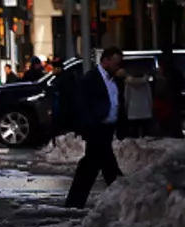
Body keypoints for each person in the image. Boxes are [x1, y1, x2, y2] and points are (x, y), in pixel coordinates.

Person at [65, 47, 125, 209]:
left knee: (96, 164)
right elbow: (82, 105)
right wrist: (89, 126)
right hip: (96, 127)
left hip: (107, 128)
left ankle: (75, 202)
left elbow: (117, 102)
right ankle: (122, 197)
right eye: (115, 63)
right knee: (101, 164)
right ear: (105, 61)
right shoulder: (90, 79)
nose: (117, 67)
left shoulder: (115, 80)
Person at [124, 66, 153, 138]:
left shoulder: (128, 83)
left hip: (132, 110)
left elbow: (126, 97)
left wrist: (125, 108)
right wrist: (151, 108)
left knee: (133, 134)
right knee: (146, 135)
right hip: (145, 110)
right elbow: (149, 97)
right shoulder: (146, 83)